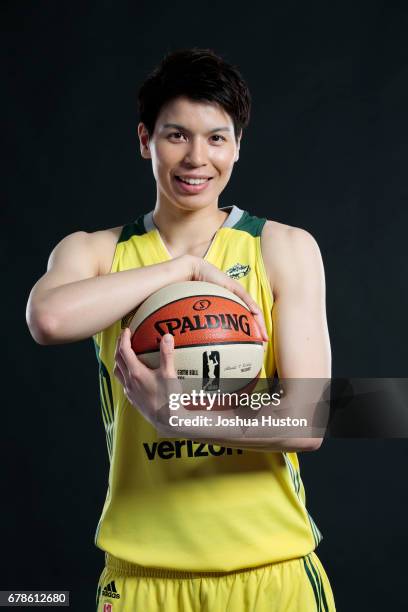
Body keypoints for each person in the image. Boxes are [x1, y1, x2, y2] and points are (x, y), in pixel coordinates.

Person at [26, 48, 335, 611]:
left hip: (270, 569)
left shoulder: (283, 247)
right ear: (144, 140)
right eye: (176, 136)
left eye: (216, 138)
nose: (197, 158)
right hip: (144, 576)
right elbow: (47, 320)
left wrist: (183, 415)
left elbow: (310, 416)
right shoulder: (96, 252)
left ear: (238, 146)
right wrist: (181, 269)